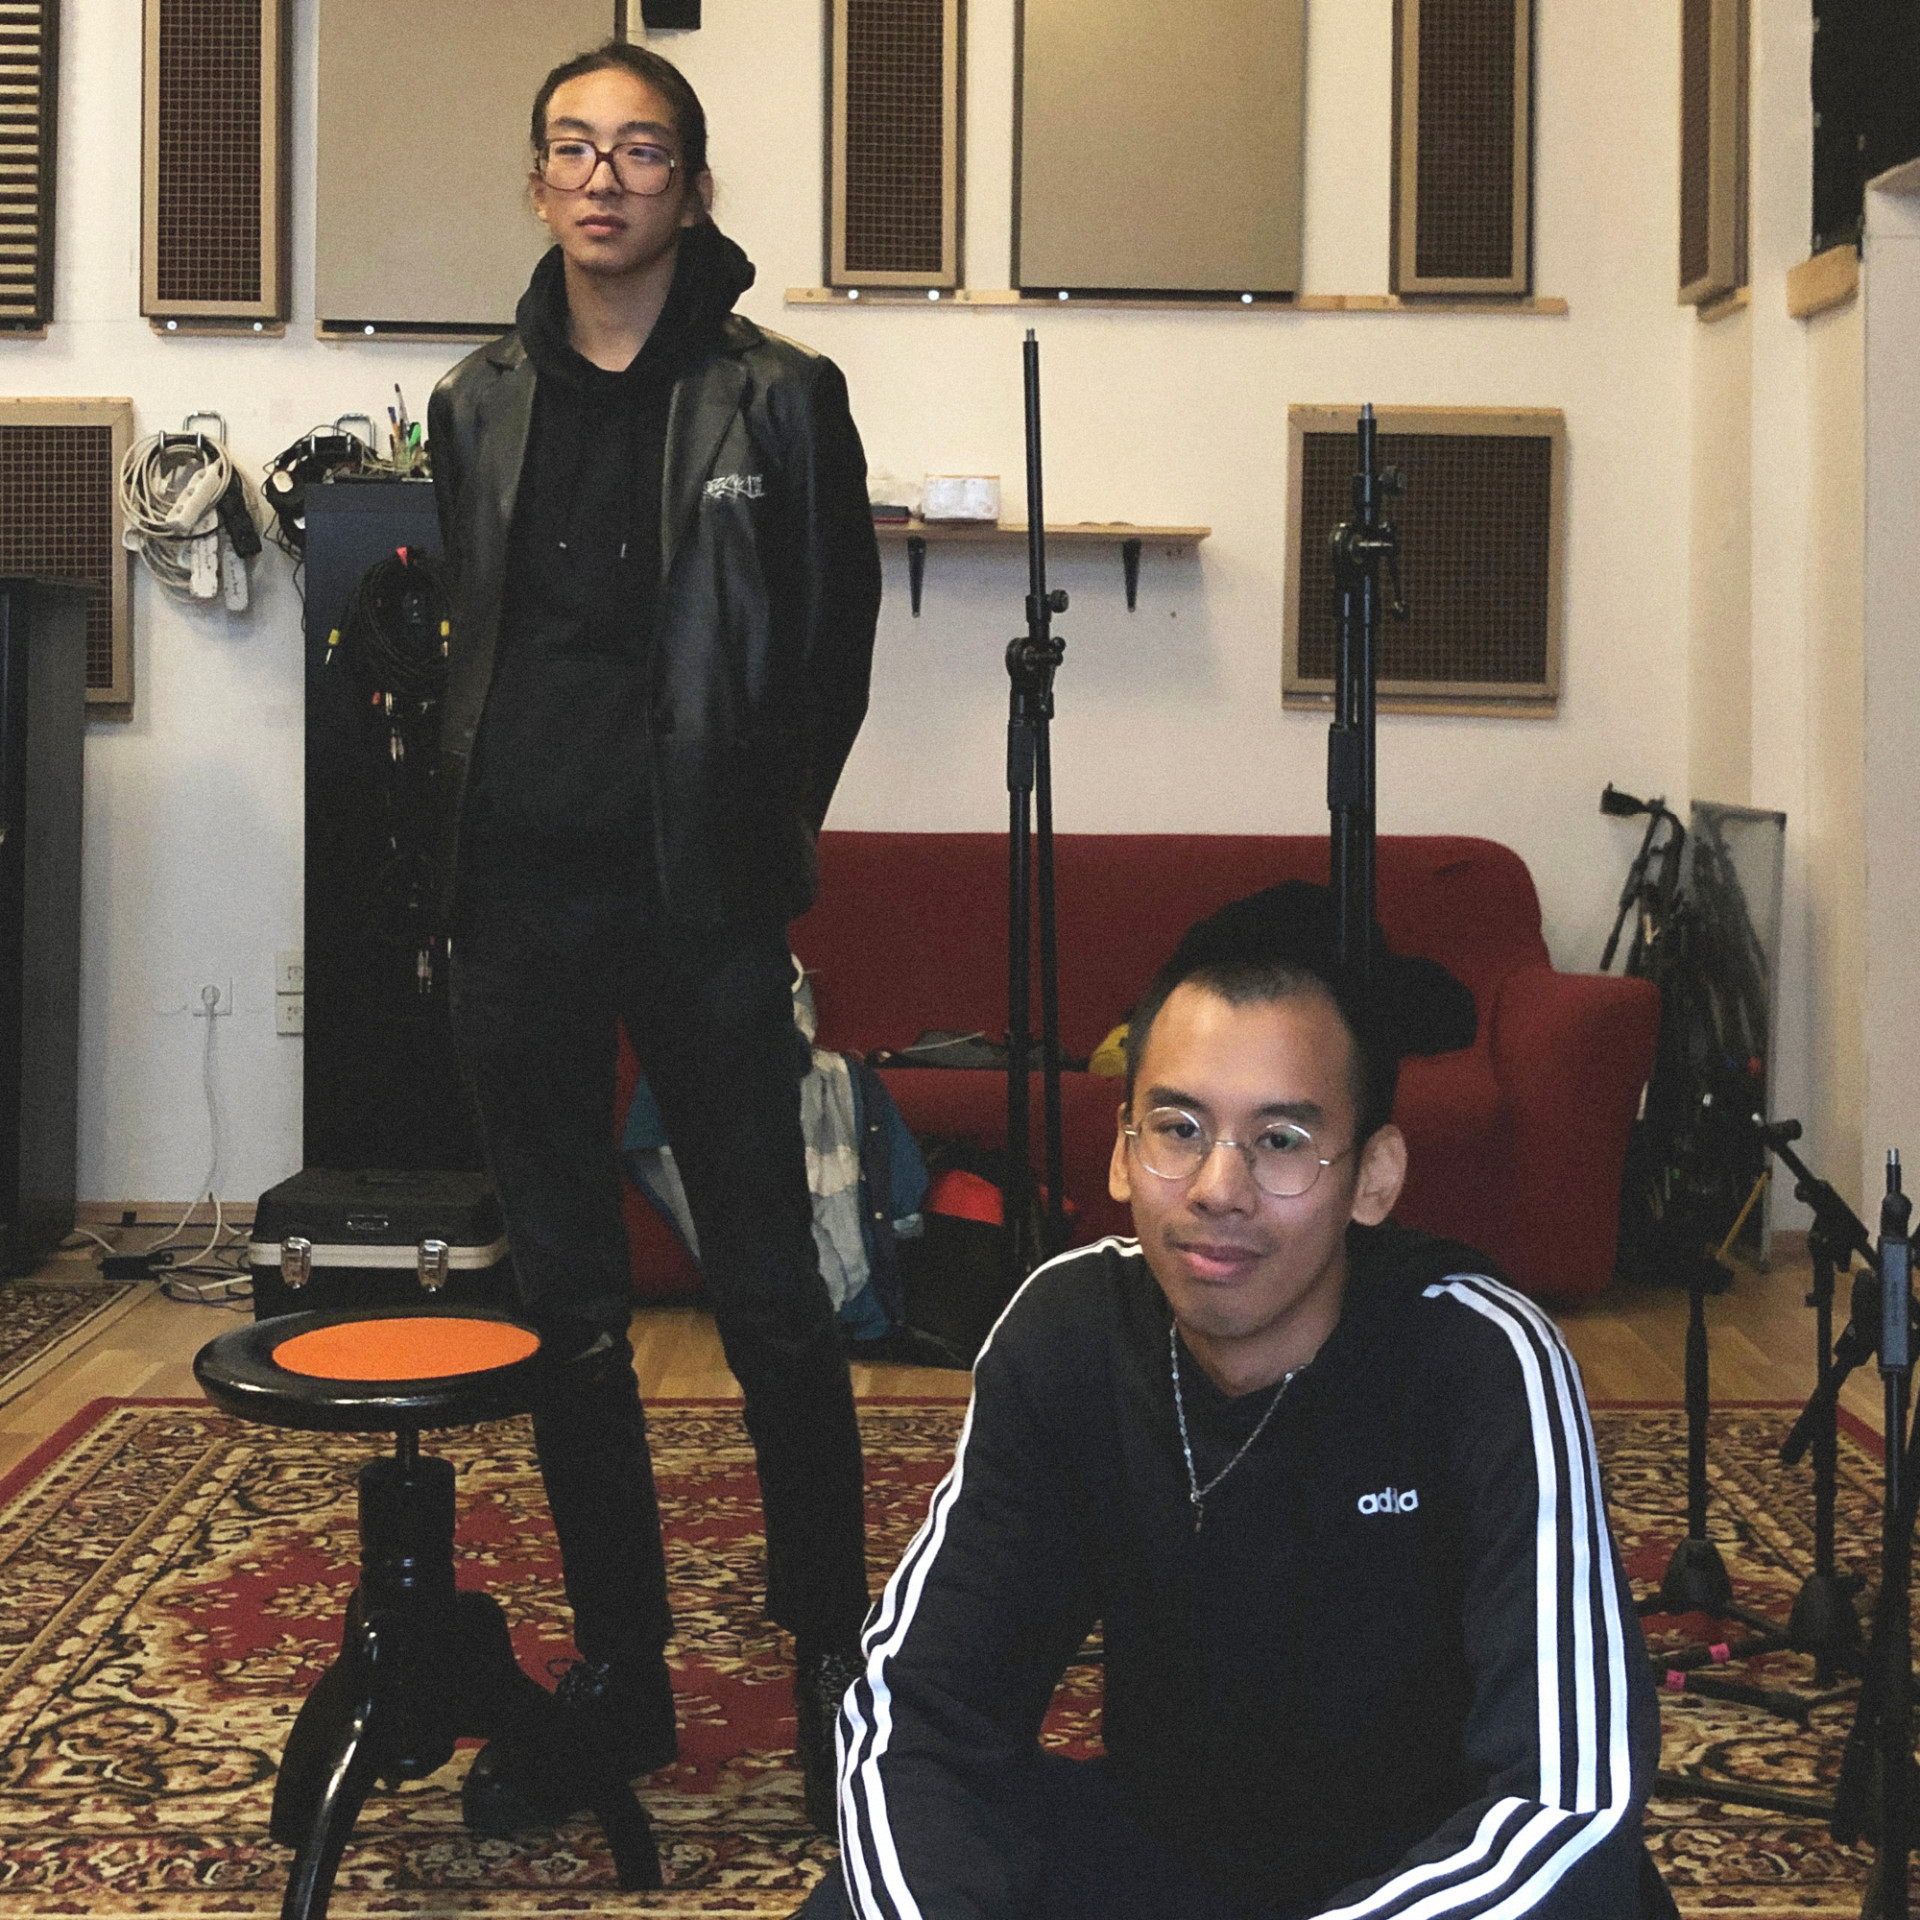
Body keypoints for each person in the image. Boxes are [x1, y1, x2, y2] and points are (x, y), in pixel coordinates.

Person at [801, 882, 1670, 1918]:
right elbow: (922, 1711)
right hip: (1166, 1853)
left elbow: (1570, 1800)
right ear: (1121, 1151)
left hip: (1435, 1871)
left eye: (1282, 1141)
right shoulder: (1070, 1334)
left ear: (1376, 1176)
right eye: (1178, 1128)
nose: (1219, 1188)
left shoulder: (1479, 1359)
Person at [427, 39, 882, 1835]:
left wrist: (749, 835)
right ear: (538, 180)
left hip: (702, 907)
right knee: (569, 1314)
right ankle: (624, 1671)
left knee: (773, 1295)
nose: (602, 177)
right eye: (572, 146)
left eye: (640, 151)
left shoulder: (781, 398)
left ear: (692, 188)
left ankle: (832, 1652)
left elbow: (830, 659)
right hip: (517, 905)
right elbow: (481, 640)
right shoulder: (475, 402)